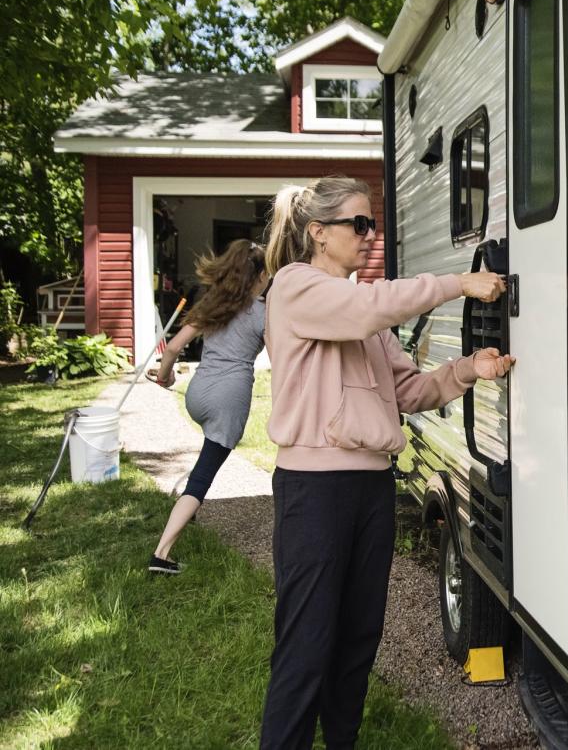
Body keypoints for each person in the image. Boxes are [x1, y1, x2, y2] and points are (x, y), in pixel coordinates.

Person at [258, 177, 512, 748]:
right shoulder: (296, 288)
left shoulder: (364, 317)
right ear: (318, 233)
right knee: (308, 643)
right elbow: (365, 308)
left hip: (371, 490)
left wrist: (470, 368)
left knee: (358, 638)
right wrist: (456, 284)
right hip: (315, 491)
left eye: (373, 224)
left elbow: (409, 393)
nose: (370, 236)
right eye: (359, 224)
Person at [147, 239, 268, 576]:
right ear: (257, 278)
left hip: (197, 394)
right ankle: (162, 555)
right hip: (229, 399)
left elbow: (171, 348)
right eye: (266, 274)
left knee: (204, 452)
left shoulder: (214, 305)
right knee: (202, 478)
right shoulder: (262, 313)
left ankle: (188, 512)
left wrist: (165, 378)